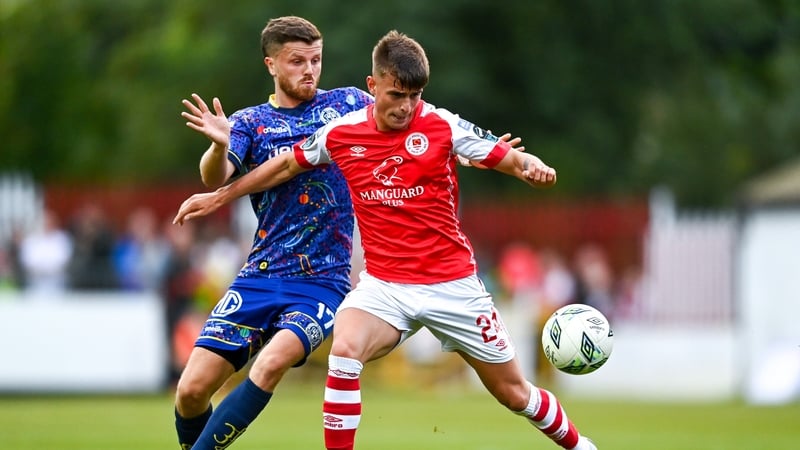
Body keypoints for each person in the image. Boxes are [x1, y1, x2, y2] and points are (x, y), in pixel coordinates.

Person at [174, 30, 597, 450]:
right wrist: (219, 196)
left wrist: (531, 165)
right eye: (397, 95)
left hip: (452, 286)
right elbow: (285, 165)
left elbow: (507, 156)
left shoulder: (440, 124)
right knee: (345, 348)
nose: (407, 106)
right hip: (384, 288)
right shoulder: (341, 132)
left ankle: (581, 446)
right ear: (373, 87)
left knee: (515, 394)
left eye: (415, 95)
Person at [171, 16, 374, 450]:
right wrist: (220, 144)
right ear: (271, 64)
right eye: (297, 60)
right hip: (259, 276)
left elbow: (401, 118)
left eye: (316, 60)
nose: (310, 70)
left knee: (270, 365)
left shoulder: (348, 105)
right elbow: (215, 177)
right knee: (190, 393)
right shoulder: (251, 122)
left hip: (322, 283)